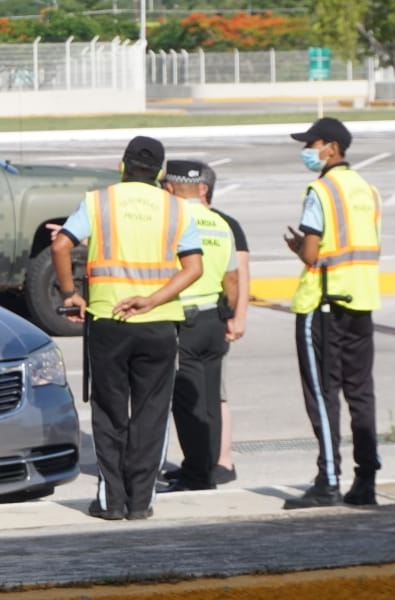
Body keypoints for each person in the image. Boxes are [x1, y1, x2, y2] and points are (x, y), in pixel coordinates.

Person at [51, 136, 202, 521]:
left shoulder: (99, 201)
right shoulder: (176, 208)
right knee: (151, 413)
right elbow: (194, 268)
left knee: (110, 411)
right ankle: (140, 501)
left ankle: (111, 501)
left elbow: (60, 246)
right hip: (158, 323)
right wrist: (153, 300)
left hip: (108, 321)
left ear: (122, 165)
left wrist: (70, 294)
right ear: (161, 173)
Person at [282, 117, 382, 509]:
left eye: (313, 142)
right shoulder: (368, 191)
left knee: (323, 395)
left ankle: (328, 478)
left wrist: (297, 249)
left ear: (332, 148)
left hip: (322, 304)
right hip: (361, 301)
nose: (307, 150)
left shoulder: (321, 190)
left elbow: (311, 253)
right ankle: (366, 478)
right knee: (361, 392)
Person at [158, 160, 238, 493]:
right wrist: (228, 315)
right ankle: (204, 468)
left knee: (188, 402)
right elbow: (232, 279)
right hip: (214, 320)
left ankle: (196, 474)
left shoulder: (174, 221)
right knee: (209, 400)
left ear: (172, 188)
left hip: (185, 321)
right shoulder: (219, 222)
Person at [212, 188, 250, 485]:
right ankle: (202, 459)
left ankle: (223, 461)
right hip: (196, 319)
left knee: (217, 393)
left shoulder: (226, 224)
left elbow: (240, 274)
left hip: (212, 318)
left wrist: (238, 316)